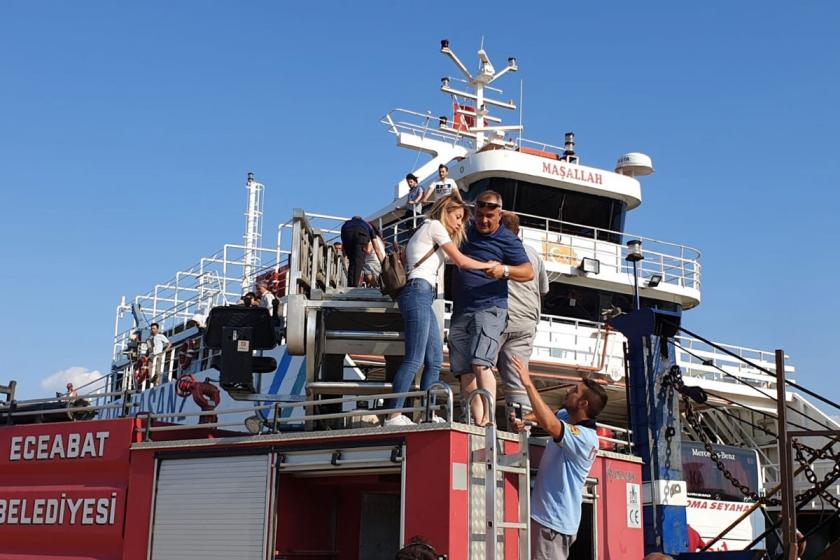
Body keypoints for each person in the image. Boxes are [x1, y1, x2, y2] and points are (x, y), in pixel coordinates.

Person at [385, 195, 497, 427]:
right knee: (414, 359)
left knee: (435, 360)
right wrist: (489, 265)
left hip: (423, 294)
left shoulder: (426, 232)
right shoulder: (434, 226)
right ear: (445, 210)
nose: (459, 224)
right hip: (417, 291)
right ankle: (393, 415)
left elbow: (456, 258)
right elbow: (462, 261)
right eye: (457, 217)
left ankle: (428, 414)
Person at [448, 190, 533, 426]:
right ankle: (476, 422)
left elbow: (528, 272)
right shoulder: (466, 231)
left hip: (490, 308)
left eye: (489, 216)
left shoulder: (507, 239)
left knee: (480, 363)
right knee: (464, 370)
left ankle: (488, 420)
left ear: (500, 215)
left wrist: (504, 270)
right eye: (480, 215)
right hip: (461, 309)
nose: (484, 220)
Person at [509, 357, 608, 560]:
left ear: (583, 404)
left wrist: (527, 382)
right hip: (550, 520)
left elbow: (550, 423)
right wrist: (525, 420)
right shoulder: (567, 416)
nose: (567, 392)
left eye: (574, 391)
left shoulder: (586, 438)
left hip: (552, 523)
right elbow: (545, 415)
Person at [497, 212, 549, 427]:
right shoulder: (534, 254)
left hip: (500, 317)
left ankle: (478, 424)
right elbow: (543, 289)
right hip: (527, 322)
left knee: (479, 369)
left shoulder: (496, 249)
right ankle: (521, 430)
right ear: (519, 231)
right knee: (518, 379)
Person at [340, 216, 385, 287]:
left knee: (352, 262)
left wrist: (345, 260)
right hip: (361, 236)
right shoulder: (367, 225)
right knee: (359, 262)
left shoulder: (346, 224)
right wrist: (384, 264)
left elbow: (343, 246)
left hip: (346, 234)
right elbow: (377, 249)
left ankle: (351, 285)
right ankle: (353, 287)